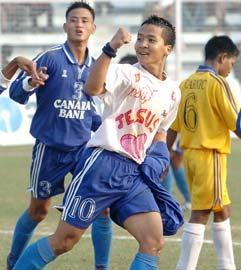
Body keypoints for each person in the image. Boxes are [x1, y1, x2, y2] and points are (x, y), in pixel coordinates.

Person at [12, 15, 182, 270]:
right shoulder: (126, 73)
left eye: (151, 40)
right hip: (102, 166)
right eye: (140, 39)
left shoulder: (172, 92)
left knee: (153, 241)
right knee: (63, 241)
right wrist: (110, 48)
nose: (142, 44)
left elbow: (160, 130)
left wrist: (159, 154)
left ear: (167, 49)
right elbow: (92, 88)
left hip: (134, 173)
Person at [7, 2, 112, 270]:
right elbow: (16, 94)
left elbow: (92, 110)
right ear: (65, 26)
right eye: (74, 20)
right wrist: (31, 82)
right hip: (49, 150)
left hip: (83, 151)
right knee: (38, 211)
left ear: (93, 28)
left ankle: (102, 267)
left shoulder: (98, 65)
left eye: (85, 20)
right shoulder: (50, 57)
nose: (79, 24)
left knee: (102, 209)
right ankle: (13, 262)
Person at [166, 35, 240, 270]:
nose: (232, 67)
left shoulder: (186, 83)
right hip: (211, 155)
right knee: (201, 212)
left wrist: (163, 153)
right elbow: (237, 125)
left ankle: (226, 266)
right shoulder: (217, 83)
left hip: (190, 156)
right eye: (232, 62)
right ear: (223, 57)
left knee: (221, 209)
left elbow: (173, 127)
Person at [161, 138, 191, 211]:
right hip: (176, 132)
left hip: (170, 133)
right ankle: (190, 201)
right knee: (172, 163)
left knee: (166, 162)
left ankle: (166, 205)